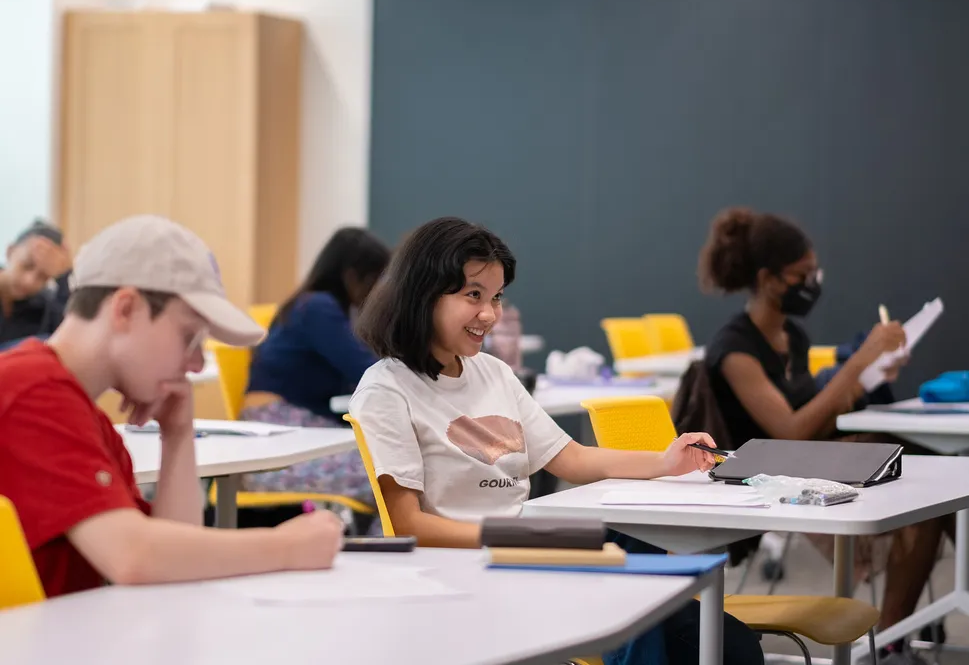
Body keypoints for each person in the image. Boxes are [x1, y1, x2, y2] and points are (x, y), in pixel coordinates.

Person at [349, 217, 764, 665]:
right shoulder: (387, 389)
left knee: (725, 641)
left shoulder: (494, 373)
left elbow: (571, 458)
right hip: (470, 570)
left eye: (496, 297)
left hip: (528, 555)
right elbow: (409, 525)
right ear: (422, 293)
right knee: (709, 642)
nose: (489, 314)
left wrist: (665, 461)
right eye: (473, 295)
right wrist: (515, 537)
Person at [0, 215, 343, 597]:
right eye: (188, 336)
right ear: (126, 308)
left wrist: (177, 434)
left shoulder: (84, 414)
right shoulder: (32, 388)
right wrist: (288, 548)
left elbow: (175, 558)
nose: (196, 363)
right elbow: (133, 556)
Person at [698, 206, 950, 664]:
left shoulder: (791, 336)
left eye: (815, 271)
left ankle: (896, 635)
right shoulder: (733, 349)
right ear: (769, 279)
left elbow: (815, 412)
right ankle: (893, 638)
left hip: (802, 459)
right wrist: (857, 363)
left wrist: (871, 375)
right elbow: (789, 429)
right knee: (917, 474)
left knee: (934, 486)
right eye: (802, 274)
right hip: (764, 471)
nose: (813, 282)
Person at [243, 228, 390, 507]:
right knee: (394, 474)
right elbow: (367, 370)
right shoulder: (318, 308)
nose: (376, 292)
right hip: (277, 434)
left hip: (291, 430)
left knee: (399, 468)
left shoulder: (313, 305)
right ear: (351, 275)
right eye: (374, 280)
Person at [0, 220, 73, 347]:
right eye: (27, 266)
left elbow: (70, 334)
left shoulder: (45, 309)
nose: (29, 281)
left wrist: (64, 275)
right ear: (10, 251)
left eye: (43, 277)